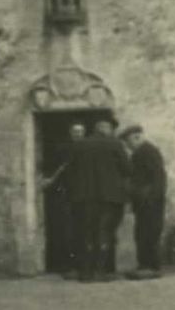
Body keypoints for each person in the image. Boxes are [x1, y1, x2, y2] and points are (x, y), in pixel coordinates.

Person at [68, 115, 130, 282]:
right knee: (104, 233)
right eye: (111, 128)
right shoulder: (115, 144)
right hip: (109, 198)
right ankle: (100, 272)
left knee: (86, 233)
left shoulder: (80, 145)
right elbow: (126, 169)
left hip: (84, 198)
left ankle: (86, 273)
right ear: (107, 128)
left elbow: (71, 171)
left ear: (96, 128)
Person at [118, 124, 167, 280]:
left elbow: (158, 178)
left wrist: (151, 197)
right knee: (142, 233)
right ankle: (145, 265)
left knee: (148, 233)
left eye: (128, 142)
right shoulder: (142, 152)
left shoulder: (147, 152)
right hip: (145, 201)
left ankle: (151, 267)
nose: (127, 146)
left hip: (150, 202)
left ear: (137, 137)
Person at [39, 122, 85, 278]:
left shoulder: (87, 149)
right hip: (66, 194)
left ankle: (80, 264)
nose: (77, 134)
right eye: (75, 131)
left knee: (82, 230)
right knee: (66, 230)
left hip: (84, 195)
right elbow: (57, 169)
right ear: (70, 133)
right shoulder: (63, 149)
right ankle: (67, 265)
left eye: (80, 132)